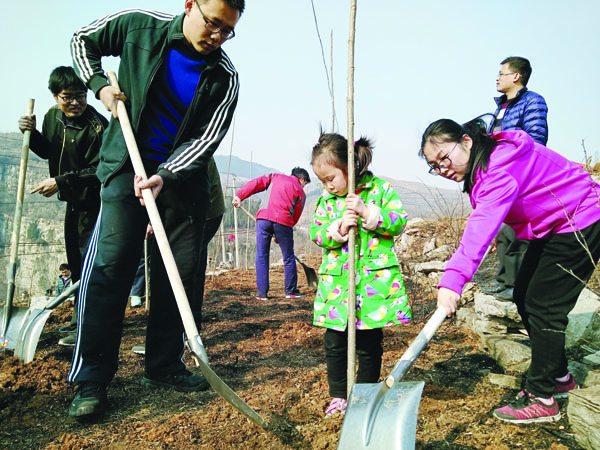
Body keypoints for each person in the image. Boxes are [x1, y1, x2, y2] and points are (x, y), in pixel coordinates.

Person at [67, 0, 245, 419]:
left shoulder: (225, 77)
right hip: (123, 166)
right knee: (109, 270)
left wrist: (166, 173)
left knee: (179, 277)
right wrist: (99, 85)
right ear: (190, 5)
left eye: (228, 30)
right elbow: (81, 41)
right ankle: (91, 380)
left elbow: (206, 139)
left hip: (180, 183)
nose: (216, 37)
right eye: (213, 23)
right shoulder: (138, 28)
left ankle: (164, 365)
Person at [419, 117, 600, 424]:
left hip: (579, 218)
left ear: (466, 141)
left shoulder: (498, 166)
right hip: (555, 224)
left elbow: (479, 225)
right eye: (434, 166)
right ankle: (558, 376)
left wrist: (453, 281)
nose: (442, 169)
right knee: (523, 294)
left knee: (544, 305)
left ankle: (543, 398)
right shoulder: (484, 167)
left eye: (444, 158)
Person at [310, 133, 411, 417]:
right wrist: (337, 229)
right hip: (337, 285)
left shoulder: (381, 189)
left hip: (372, 284)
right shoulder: (327, 201)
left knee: (368, 342)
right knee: (334, 342)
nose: (327, 185)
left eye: (331, 178)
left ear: (350, 167)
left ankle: (365, 393)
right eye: (322, 181)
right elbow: (318, 233)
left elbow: (399, 222)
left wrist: (368, 213)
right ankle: (339, 396)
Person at [18, 66, 107, 343]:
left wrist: (60, 182)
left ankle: (89, 325)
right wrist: (30, 134)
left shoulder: (97, 126)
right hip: (72, 202)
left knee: (90, 264)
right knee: (77, 263)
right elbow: (48, 151)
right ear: (56, 96)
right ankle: (78, 318)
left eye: (81, 96)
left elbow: (99, 171)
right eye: (68, 97)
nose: (76, 103)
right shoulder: (52, 117)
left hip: (95, 204)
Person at [486, 56, 549, 301]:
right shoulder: (501, 107)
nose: (497, 78)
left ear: (516, 76)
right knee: (503, 229)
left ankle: (519, 286)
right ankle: (506, 282)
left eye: (501, 73)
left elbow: (536, 138)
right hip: (501, 173)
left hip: (522, 172)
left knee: (517, 231)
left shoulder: (533, 101)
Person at [232, 167, 310, 300]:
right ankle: (290, 291)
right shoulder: (300, 191)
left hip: (263, 219)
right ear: (302, 179)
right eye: (305, 183)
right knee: (288, 257)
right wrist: (283, 233)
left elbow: (256, 183)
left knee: (261, 255)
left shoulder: (274, 177)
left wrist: (240, 196)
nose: (304, 186)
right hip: (283, 222)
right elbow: (296, 215)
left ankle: (262, 294)